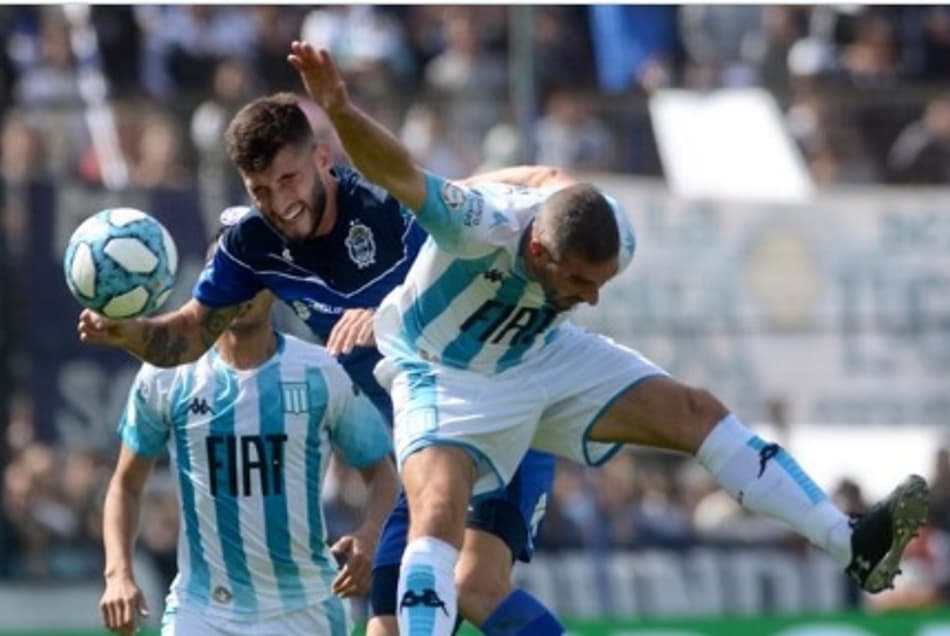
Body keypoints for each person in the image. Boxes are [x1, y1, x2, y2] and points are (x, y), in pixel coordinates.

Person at [284, 40, 931, 636]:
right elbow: (399, 171)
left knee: (695, 411)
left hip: (535, 352)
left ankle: (853, 545)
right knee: (438, 511)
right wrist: (338, 108)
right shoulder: (478, 225)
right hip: (443, 370)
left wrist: (551, 196)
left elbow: (553, 180)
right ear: (535, 247)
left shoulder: (609, 234)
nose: (592, 296)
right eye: (578, 281)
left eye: (599, 282)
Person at [78, 94, 564, 632]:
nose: (279, 202)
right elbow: (178, 352)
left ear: (321, 160)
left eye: (287, 181)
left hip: (492, 419)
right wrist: (130, 335)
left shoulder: (378, 225)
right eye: (261, 190)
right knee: (387, 623)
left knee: (473, 584)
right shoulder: (192, 352)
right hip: (214, 600)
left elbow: (467, 193)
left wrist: (554, 188)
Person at [98, 229, 399, 635]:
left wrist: (371, 532)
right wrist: (118, 573)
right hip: (201, 609)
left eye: (252, 274)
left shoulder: (322, 372)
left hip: (305, 608)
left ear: (274, 284)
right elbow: (126, 485)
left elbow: (382, 473)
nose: (239, 288)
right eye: (225, 274)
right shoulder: (167, 377)